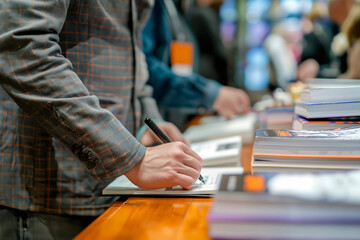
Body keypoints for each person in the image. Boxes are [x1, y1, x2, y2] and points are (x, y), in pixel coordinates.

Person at [0, 1, 202, 239]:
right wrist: (132, 157)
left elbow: (131, 56)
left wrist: (147, 122)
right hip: (50, 195)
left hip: (117, 191)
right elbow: (23, 50)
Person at [142, 0, 250, 127]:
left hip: (174, 121)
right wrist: (209, 94)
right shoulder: (154, 5)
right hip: (153, 123)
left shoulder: (177, 7)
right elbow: (144, 70)